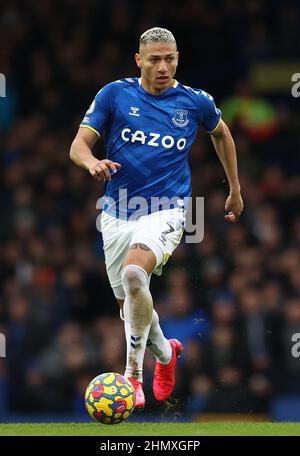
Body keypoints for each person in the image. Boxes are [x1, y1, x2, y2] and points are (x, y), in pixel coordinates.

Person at [70, 27, 243, 409]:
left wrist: (235, 188)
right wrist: (92, 162)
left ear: (177, 57)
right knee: (131, 307)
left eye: (170, 59)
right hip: (117, 212)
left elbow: (222, 134)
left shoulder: (195, 101)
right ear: (139, 60)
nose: (163, 67)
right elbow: (78, 145)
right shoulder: (115, 94)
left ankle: (133, 375)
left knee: (135, 275)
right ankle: (166, 353)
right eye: (154, 59)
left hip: (168, 209)